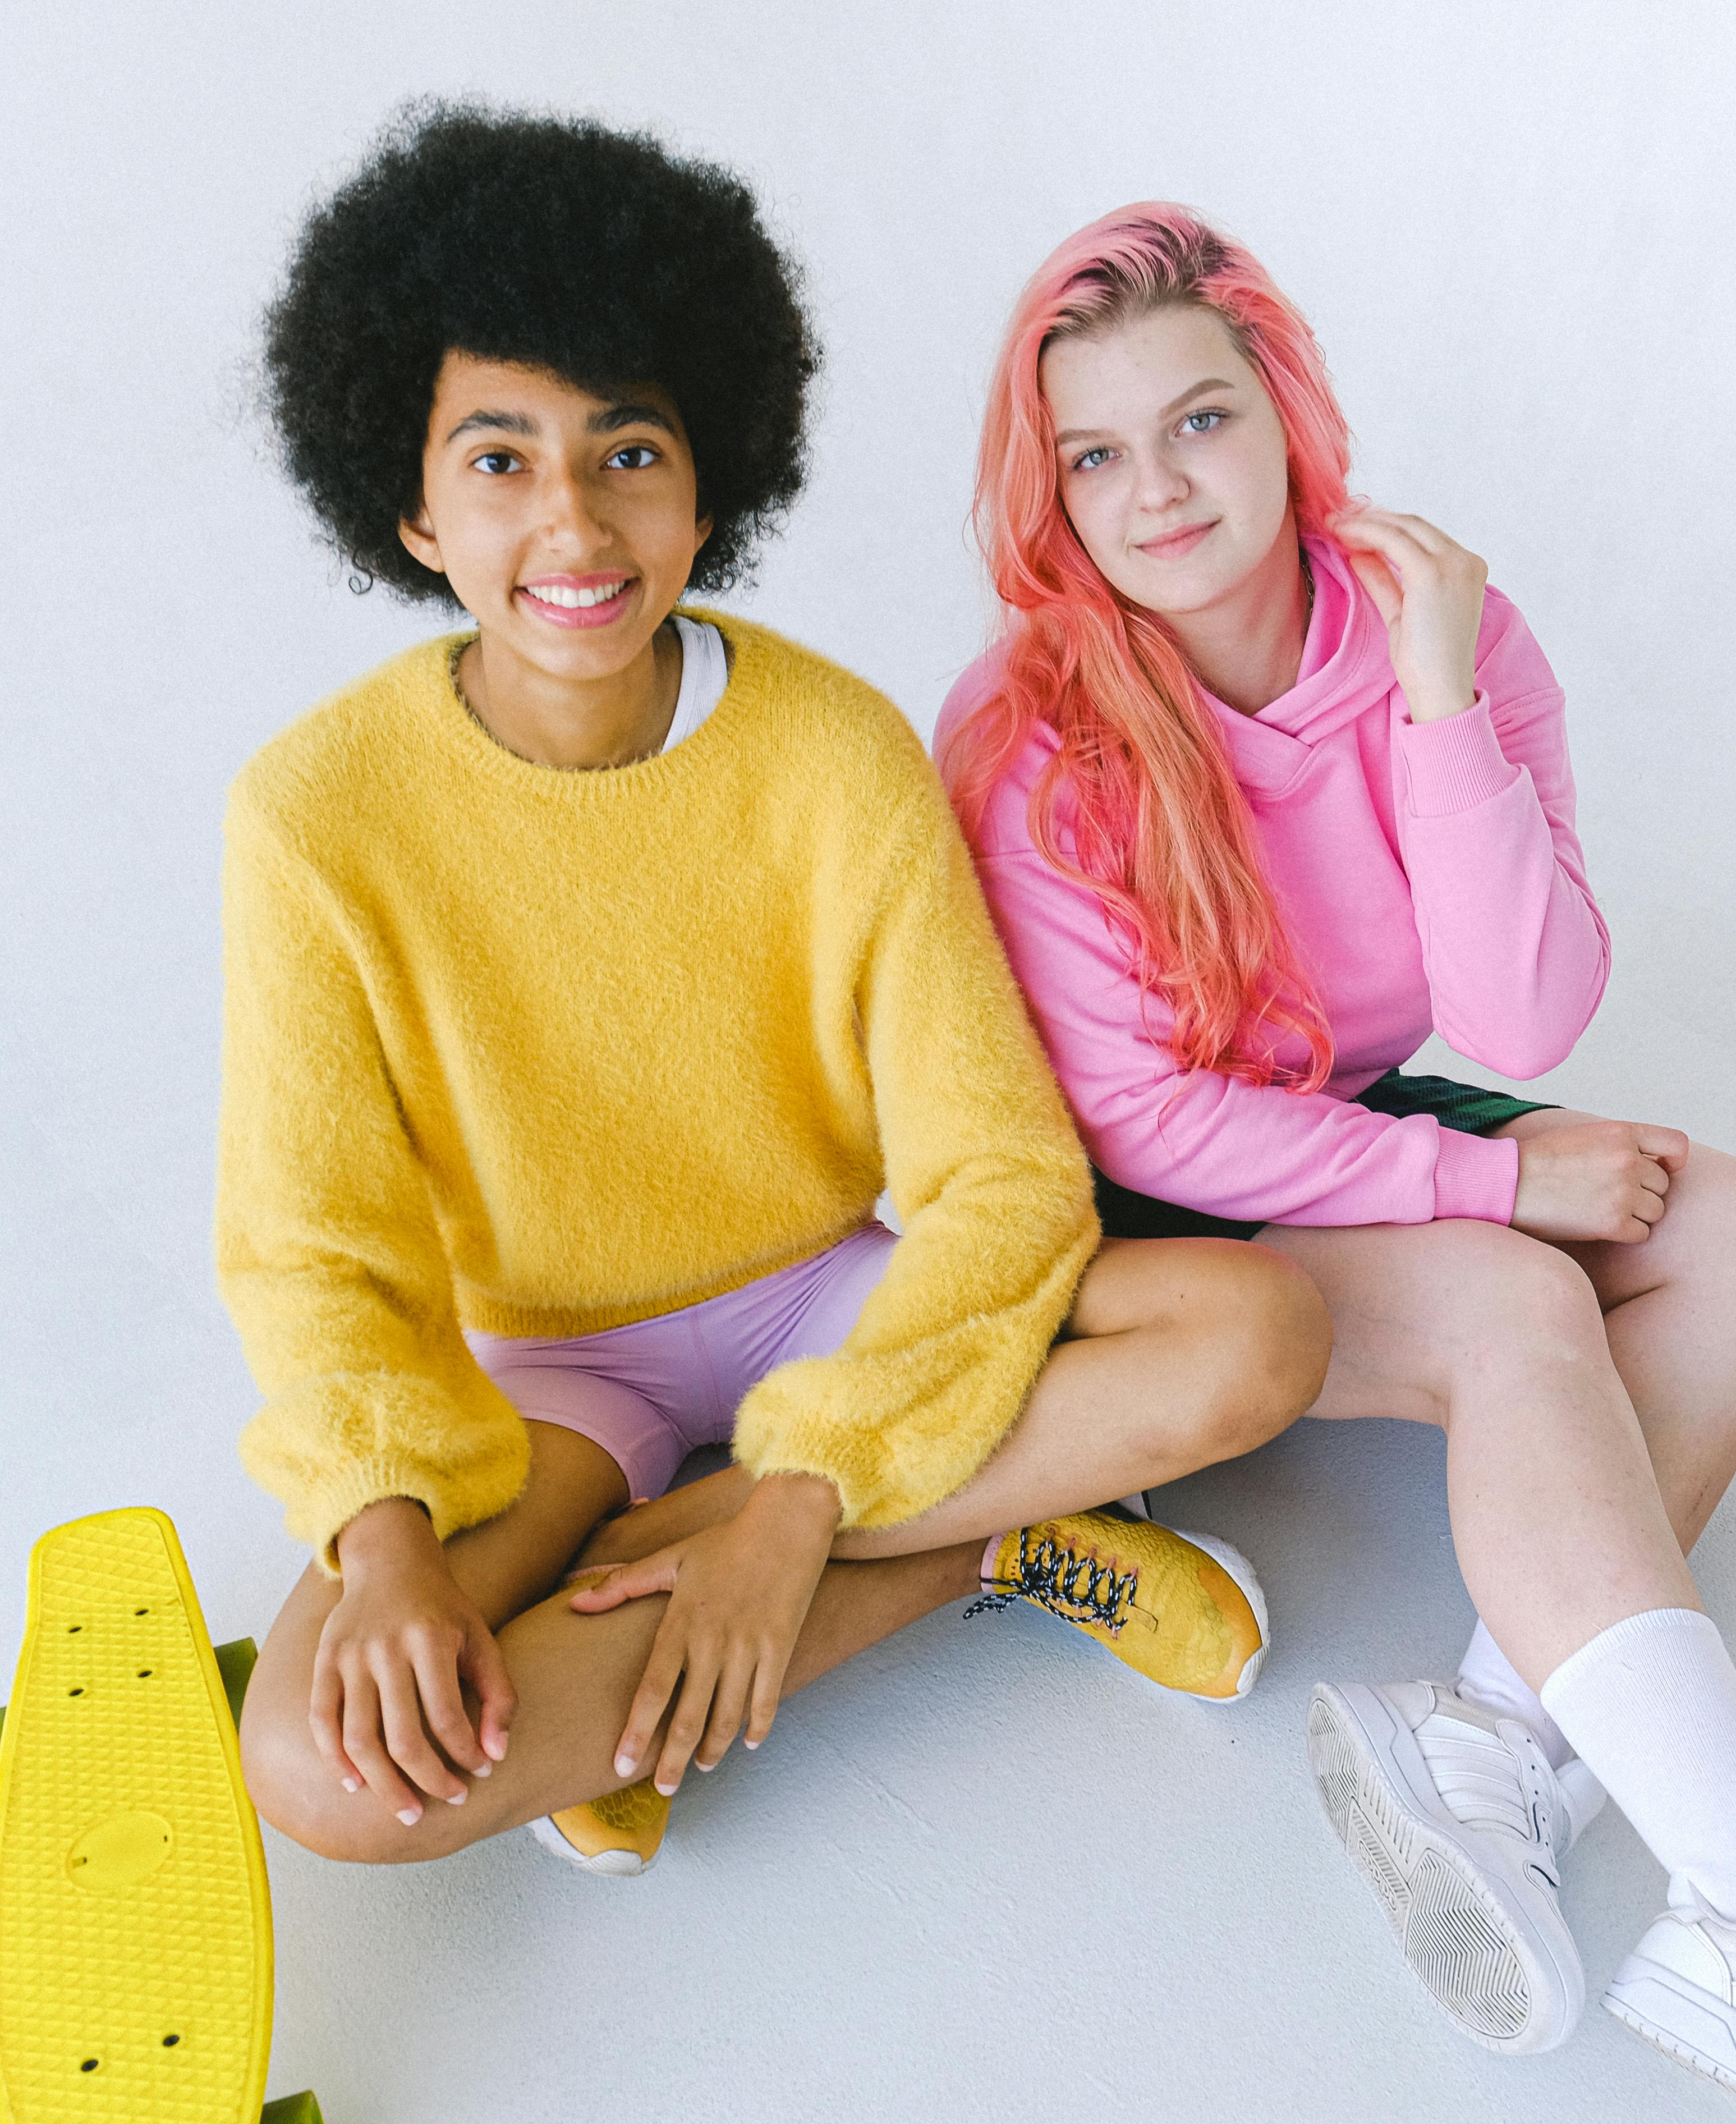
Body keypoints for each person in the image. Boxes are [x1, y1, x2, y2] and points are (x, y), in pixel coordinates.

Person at [937, 203, 1736, 2124]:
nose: (1159, 491)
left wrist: (1430, 700)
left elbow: (1525, 1014)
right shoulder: (1038, 733)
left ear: (1288, 413)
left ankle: (1489, 1738)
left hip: (1340, 1125)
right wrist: (1496, 1186)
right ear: (1048, 494)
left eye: (1201, 420)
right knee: (1516, 1302)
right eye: (1098, 458)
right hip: (1132, 1225)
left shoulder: (1444, 631)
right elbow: (1140, 1117)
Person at [219, 114, 1325, 1882]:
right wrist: (383, 1538)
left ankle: (899, 1549)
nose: (572, 524)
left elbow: (1002, 1176)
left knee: (1257, 1333)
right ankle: (1000, 1535)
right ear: (413, 506)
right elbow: (310, 1243)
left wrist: (798, 1499)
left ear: (711, 482)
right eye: (499, 461)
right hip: (547, 1372)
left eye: (629, 451)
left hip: (836, 1299)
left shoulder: (836, 752)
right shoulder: (312, 815)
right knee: (318, 1764)